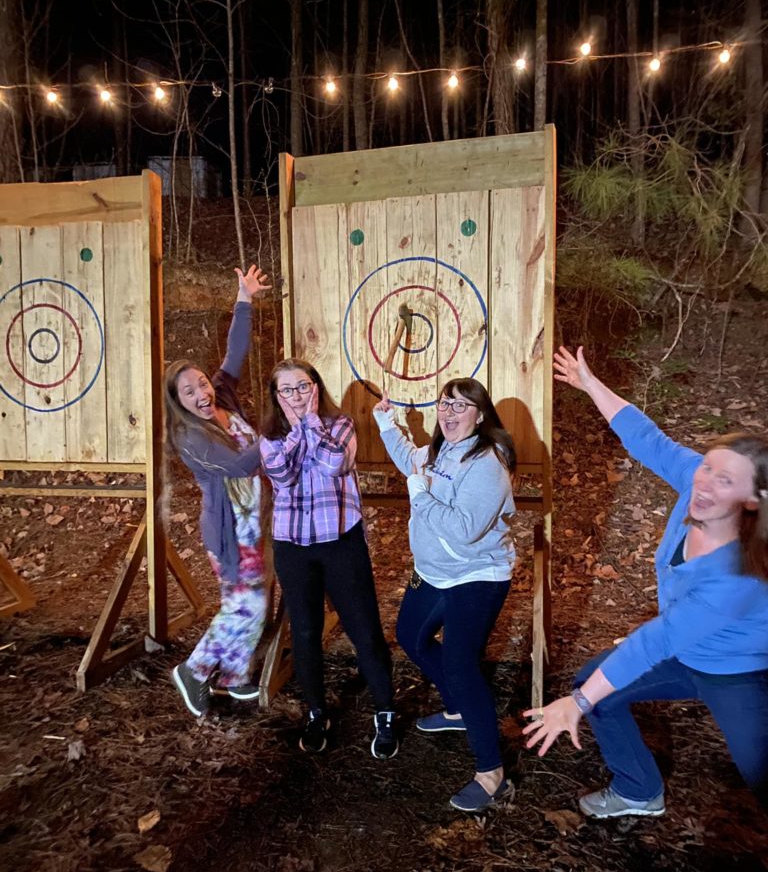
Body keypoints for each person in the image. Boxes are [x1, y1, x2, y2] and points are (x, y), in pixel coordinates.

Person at [523, 345, 768, 817]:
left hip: (738, 672)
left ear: (753, 500)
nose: (705, 482)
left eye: (724, 480)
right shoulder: (695, 485)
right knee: (596, 686)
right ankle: (639, 789)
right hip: (686, 652)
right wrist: (590, 384)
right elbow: (648, 440)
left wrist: (575, 702)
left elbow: (656, 640)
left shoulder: (738, 573)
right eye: (706, 467)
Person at [373, 379, 517, 812]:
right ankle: (457, 708)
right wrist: (385, 422)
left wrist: (418, 494)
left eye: (461, 406)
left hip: (477, 575)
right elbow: (409, 461)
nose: (450, 413)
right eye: (445, 403)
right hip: (432, 572)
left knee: (459, 662)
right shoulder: (438, 451)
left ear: (481, 415)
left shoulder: (487, 464)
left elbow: (464, 529)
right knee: (411, 637)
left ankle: (492, 772)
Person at [259, 360, 397, 759]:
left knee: (364, 628)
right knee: (305, 633)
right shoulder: (269, 435)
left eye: (302, 386)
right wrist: (298, 429)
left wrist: (310, 424)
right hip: (294, 546)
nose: (296, 396)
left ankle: (385, 709)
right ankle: (316, 710)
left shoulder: (340, 425)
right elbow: (281, 475)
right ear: (276, 396)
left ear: (316, 388)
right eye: (286, 390)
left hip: (340, 541)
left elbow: (335, 463)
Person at [164, 264, 272, 718]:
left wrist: (244, 299)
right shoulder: (189, 436)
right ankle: (195, 669)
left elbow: (235, 351)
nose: (201, 392)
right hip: (229, 533)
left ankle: (233, 676)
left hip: (253, 523)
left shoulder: (222, 400)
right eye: (189, 391)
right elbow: (234, 465)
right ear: (179, 401)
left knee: (247, 598)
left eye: (202, 382)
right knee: (248, 602)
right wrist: (279, 437)